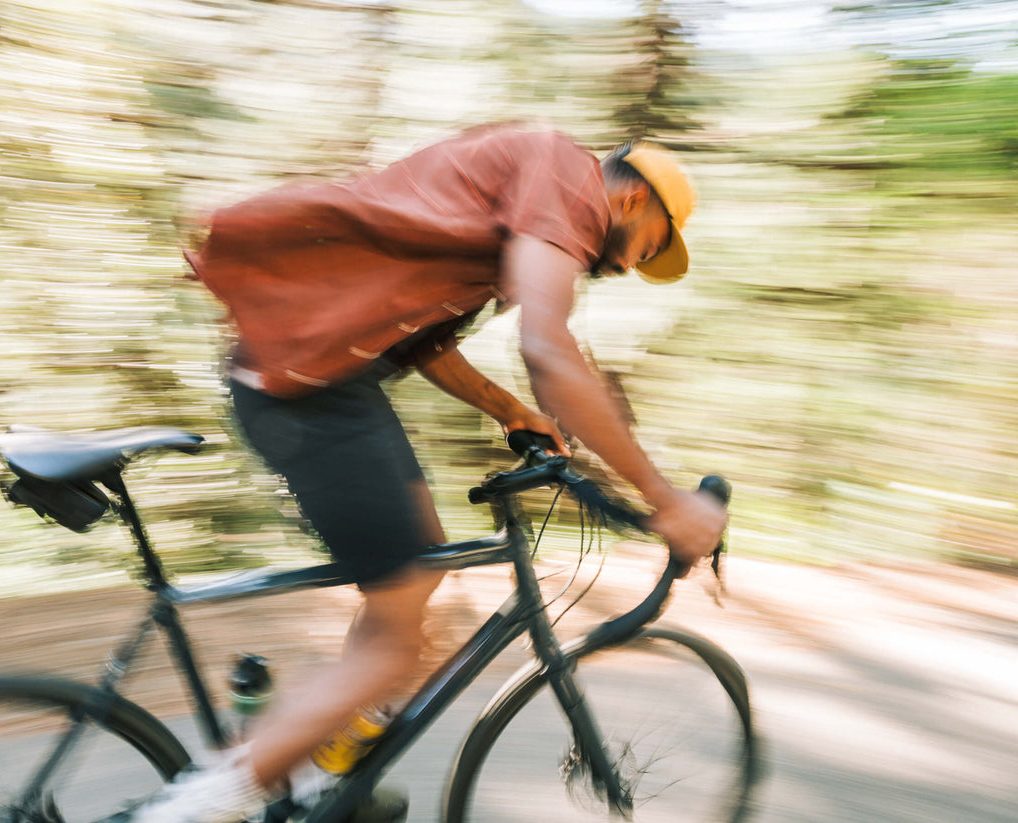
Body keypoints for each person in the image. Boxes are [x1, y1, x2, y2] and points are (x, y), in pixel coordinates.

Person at [124, 123, 729, 822]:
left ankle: (325, 778)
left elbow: (424, 342)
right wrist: (664, 500)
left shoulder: (510, 210)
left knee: (420, 580)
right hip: (307, 386)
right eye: (654, 243)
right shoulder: (567, 176)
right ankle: (194, 808)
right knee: (393, 647)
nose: (632, 266)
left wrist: (509, 410)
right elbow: (549, 347)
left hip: (323, 379)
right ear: (632, 201)